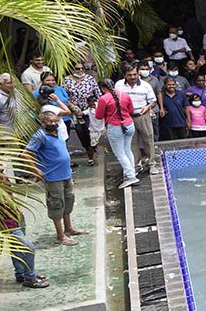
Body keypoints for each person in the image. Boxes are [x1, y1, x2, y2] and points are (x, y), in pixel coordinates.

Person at [25, 106, 83, 245]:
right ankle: (60, 235)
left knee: (68, 200)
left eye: (55, 121)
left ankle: (68, 228)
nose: (53, 124)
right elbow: (26, 154)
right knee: (56, 205)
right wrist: (36, 170)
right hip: (52, 176)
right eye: (49, 122)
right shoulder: (39, 136)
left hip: (66, 174)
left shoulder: (58, 132)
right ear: (43, 122)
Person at [94, 78, 138, 186]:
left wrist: (97, 107)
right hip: (129, 124)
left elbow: (98, 116)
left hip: (115, 127)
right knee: (127, 150)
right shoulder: (125, 95)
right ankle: (131, 173)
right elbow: (131, 111)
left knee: (120, 153)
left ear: (103, 88)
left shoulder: (103, 99)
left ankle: (131, 176)